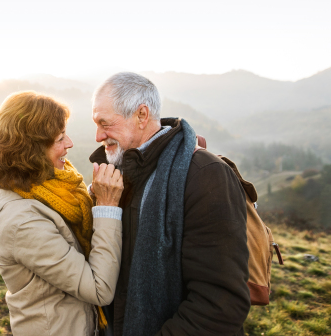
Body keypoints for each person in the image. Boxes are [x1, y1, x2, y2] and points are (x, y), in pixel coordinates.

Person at [89, 72, 250, 336]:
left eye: (105, 124)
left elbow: (219, 303)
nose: (97, 136)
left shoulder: (205, 175)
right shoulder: (113, 178)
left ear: (141, 115)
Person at [0, 91, 125, 336]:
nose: (69, 144)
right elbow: (99, 289)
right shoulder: (22, 223)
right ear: (31, 150)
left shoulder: (43, 192)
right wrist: (107, 208)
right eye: (60, 138)